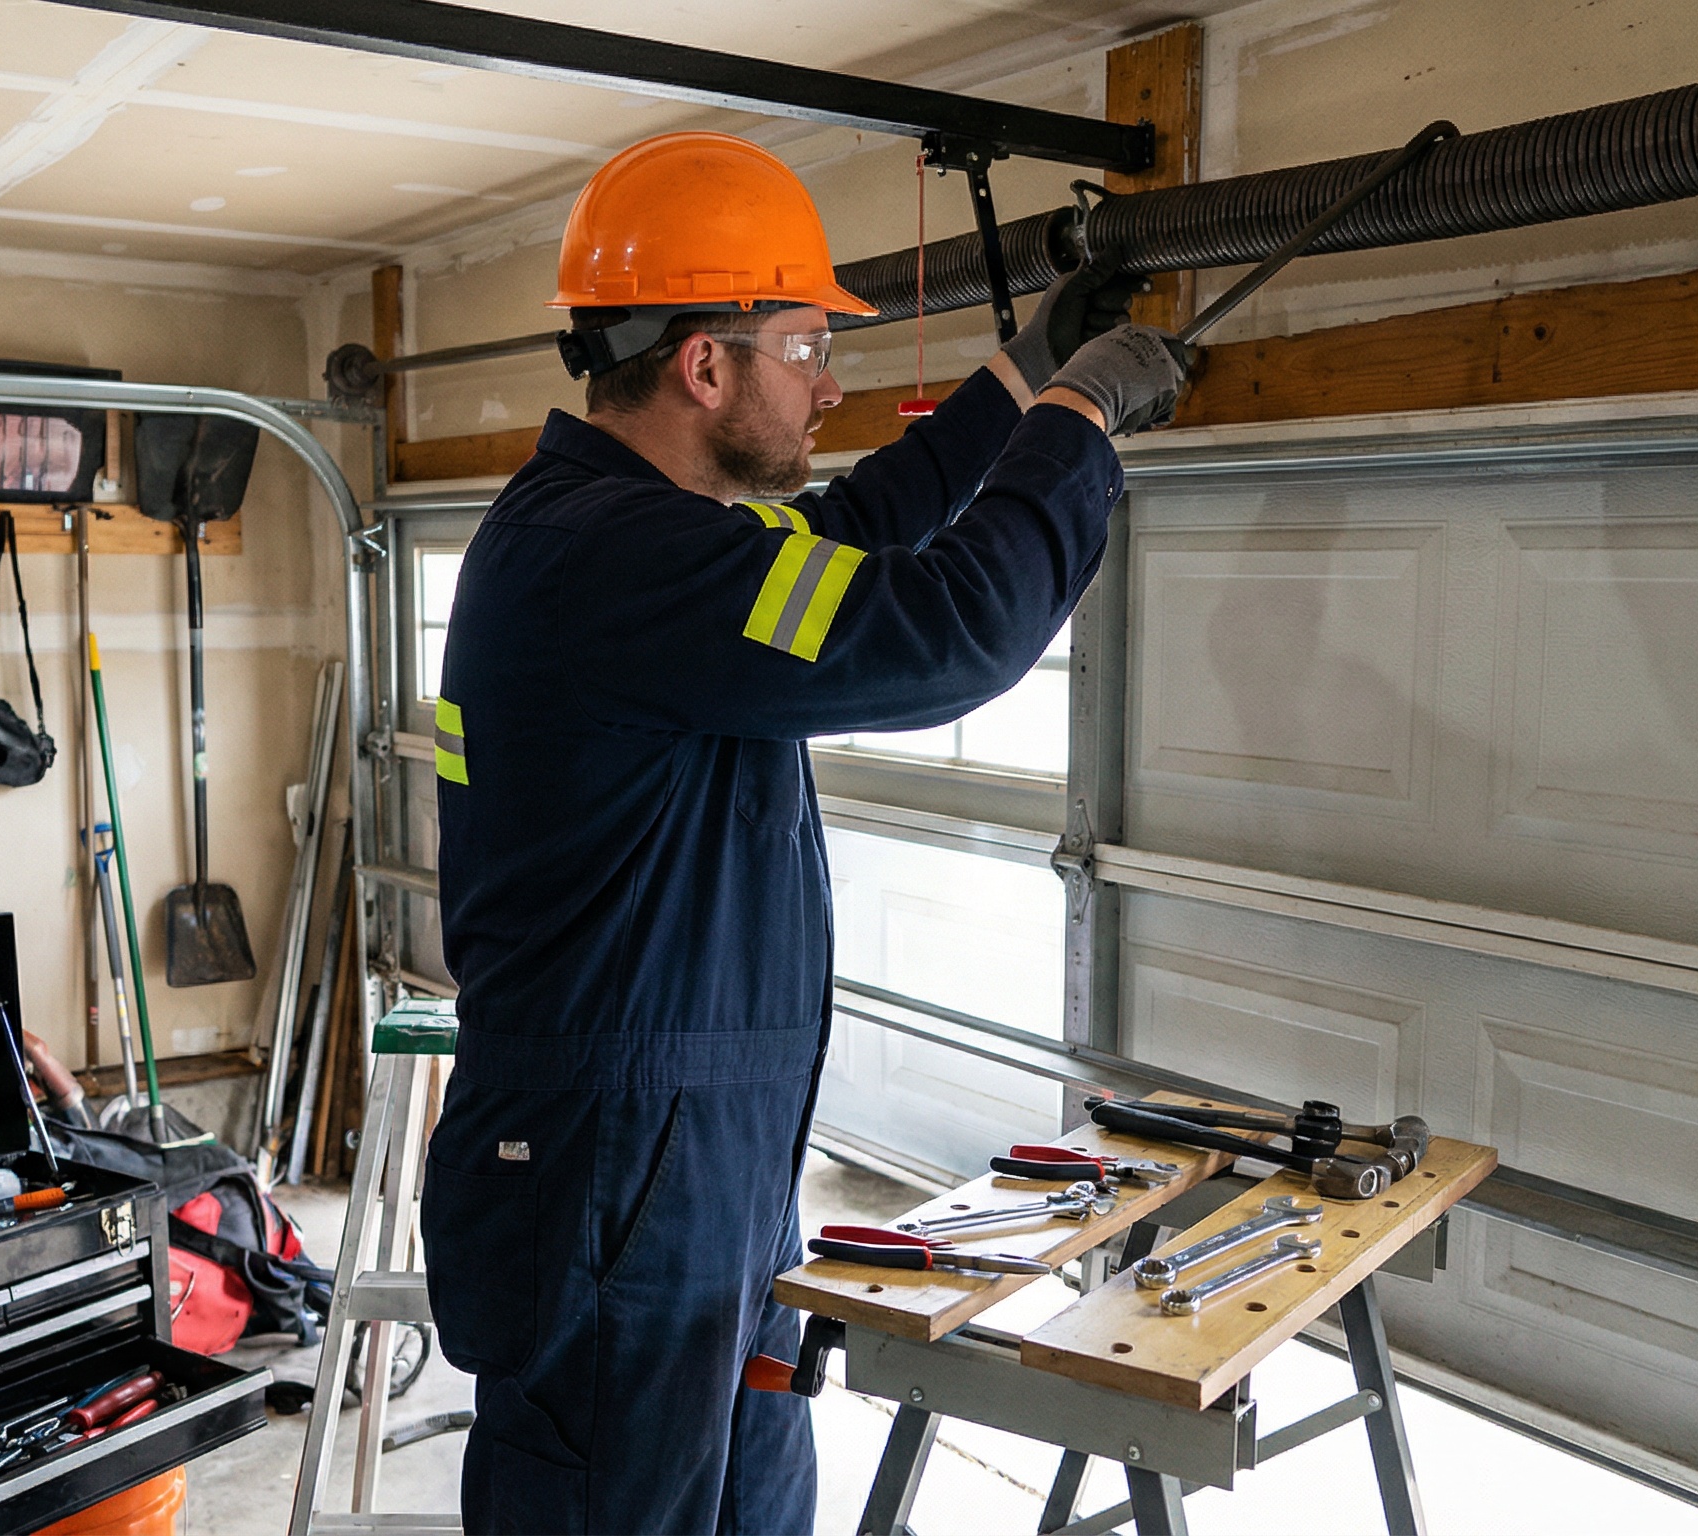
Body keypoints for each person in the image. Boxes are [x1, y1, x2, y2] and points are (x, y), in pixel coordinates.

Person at [420, 130, 1193, 1534]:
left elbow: (849, 529)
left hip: (686, 1159)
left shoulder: (629, 531)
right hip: (616, 1168)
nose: (830, 381)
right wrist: (1075, 428)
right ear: (704, 365)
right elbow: (947, 629)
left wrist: (1016, 382)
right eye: (800, 344)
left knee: (755, 1507)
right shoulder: (613, 557)